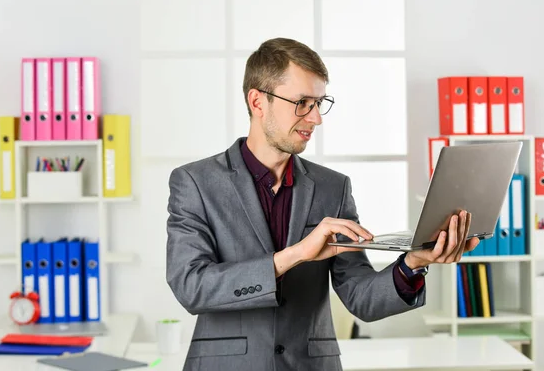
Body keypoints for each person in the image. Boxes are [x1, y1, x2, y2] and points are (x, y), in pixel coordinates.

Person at [166, 37, 479, 371]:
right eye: (302, 102)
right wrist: (295, 255)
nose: (316, 119)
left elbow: (360, 296)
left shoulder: (333, 187)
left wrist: (413, 263)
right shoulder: (195, 182)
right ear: (257, 102)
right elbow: (191, 286)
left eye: (319, 103)